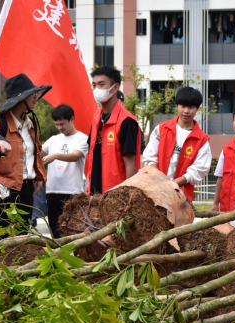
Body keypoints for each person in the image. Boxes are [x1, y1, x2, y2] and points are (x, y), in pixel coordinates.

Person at [0, 73, 49, 232]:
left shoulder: (31, 124)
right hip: (3, 190)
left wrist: (39, 176)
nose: (36, 97)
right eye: (31, 94)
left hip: (27, 188)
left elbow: (35, 152)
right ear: (21, 99)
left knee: (22, 239)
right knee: (3, 240)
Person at [142, 87, 212, 202]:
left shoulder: (202, 139)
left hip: (181, 197)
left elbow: (199, 170)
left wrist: (173, 184)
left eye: (191, 107)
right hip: (154, 191)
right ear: (177, 105)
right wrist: (160, 180)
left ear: (197, 108)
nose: (186, 111)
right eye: (183, 106)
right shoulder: (161, 129)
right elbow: (149, 158)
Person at [84, 66, 141, 195]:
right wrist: (88, 181)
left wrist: (127, 195)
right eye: (94, 85)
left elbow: (130, 164)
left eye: (101, 84)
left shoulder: (126, 121)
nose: (97, 89)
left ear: (115, 87)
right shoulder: (96, 117)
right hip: (94, 191)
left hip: (115, 193)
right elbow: (92, 153)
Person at [41, 104, 89, 238]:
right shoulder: (53, 140)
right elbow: (38, 152)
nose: (59, 128)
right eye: (56, 124)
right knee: (55, 232)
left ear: (72, 119)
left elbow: (76, 156)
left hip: (72, 191)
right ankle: (58, 258)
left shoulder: (82, 138)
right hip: (52, 190)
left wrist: (55, 155)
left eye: (62, 124)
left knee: (73, 231)